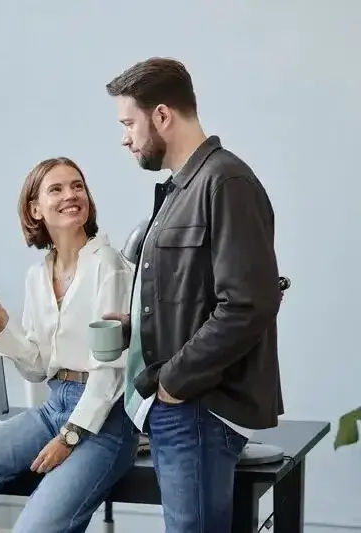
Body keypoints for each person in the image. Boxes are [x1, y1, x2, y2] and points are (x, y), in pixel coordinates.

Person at [103, 57, 283, 533]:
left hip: (197, 408)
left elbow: (249, 303)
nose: (125, 137)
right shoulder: (183, 188)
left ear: (162, 116)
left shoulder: (226, 182)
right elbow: (192, 295)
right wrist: (134, 329)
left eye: (129, 123)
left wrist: (173, 383)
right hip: (180, 407)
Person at [0, 157, 139, 533]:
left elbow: (110, 373)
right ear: (35, 209)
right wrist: (4, 324)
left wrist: (70, 436)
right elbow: (40, 367)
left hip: (105, 422)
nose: (71, 195)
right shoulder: (38, 275)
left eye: (77, 186)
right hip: (54, 406)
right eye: (56, 189)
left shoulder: (111, 266)